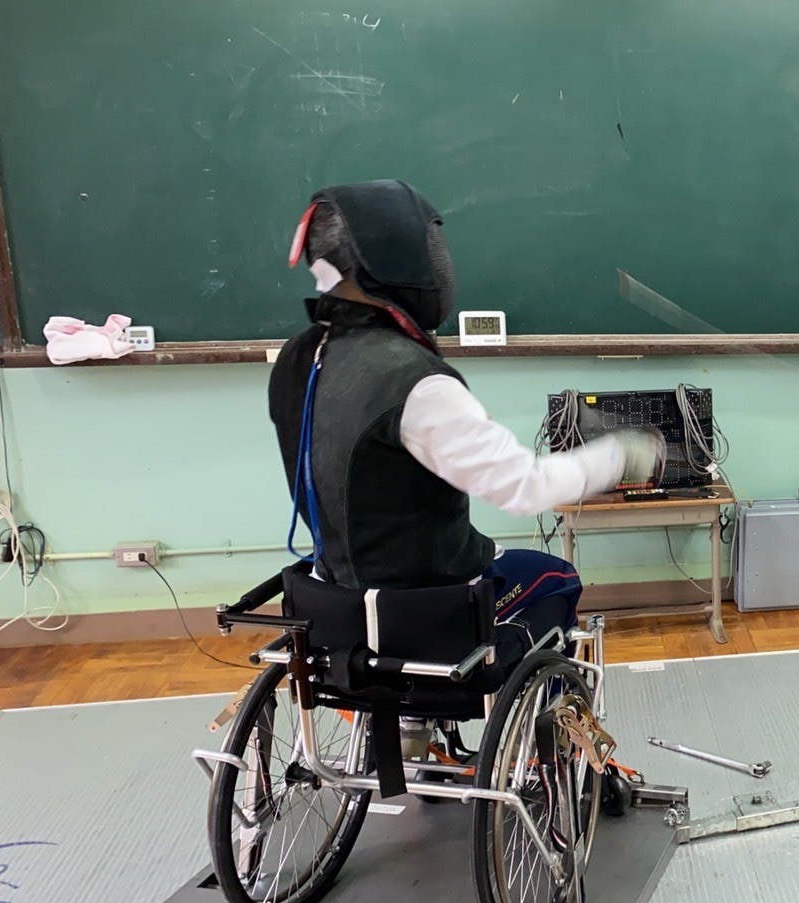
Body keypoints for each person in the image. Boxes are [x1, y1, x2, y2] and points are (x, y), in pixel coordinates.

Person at [269, 179, 662, 755]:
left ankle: (408, 724)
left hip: (329, 607)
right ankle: (554, 757)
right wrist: (619, 455)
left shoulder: (298, 357)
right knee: (556, 576)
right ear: (400, 257)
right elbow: (524, 489)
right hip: (430, 616)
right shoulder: (413, 382)